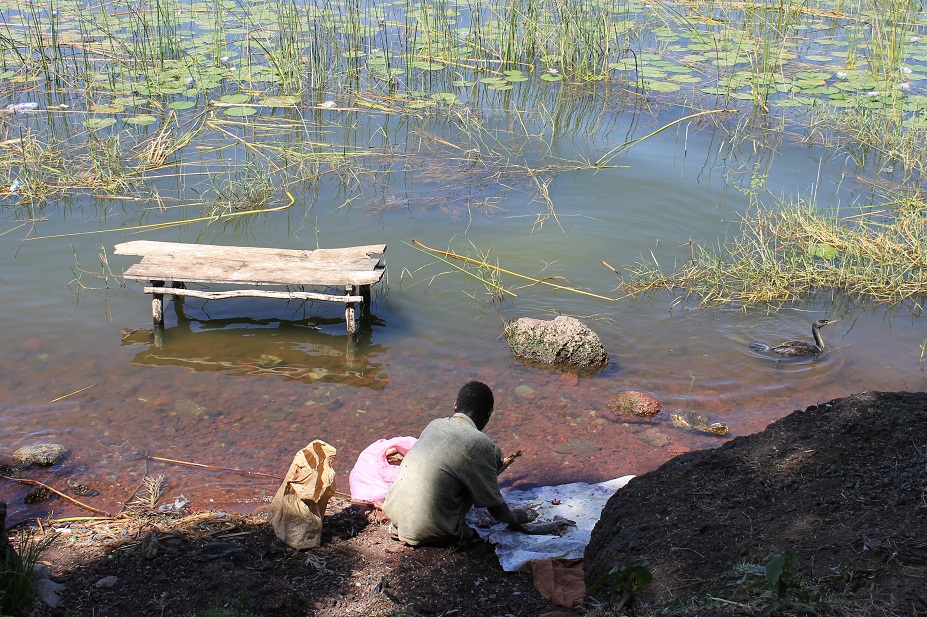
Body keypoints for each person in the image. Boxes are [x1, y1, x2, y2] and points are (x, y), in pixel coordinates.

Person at [382, 380, 533, 546]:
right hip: (431, 531)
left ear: (455, 406)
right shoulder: (480, 443)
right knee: (491, 457)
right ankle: (450, 531)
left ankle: (411, 524)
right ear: (489, 413)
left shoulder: (435, 425)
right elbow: (494, 506)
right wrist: (514, 519)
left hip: (396, 520)